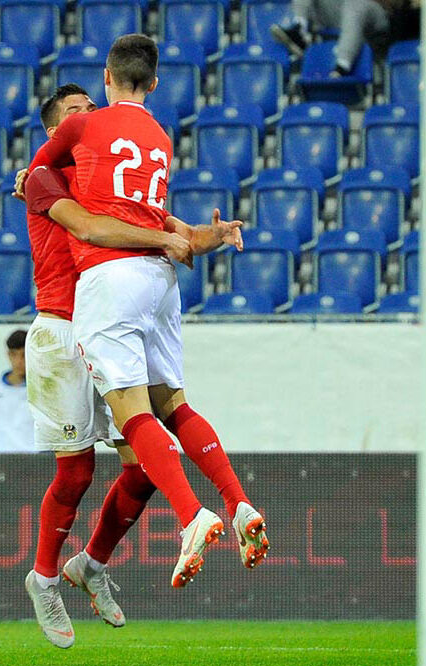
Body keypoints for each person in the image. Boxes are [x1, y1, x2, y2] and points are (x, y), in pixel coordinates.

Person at [36, 34, 269, 596]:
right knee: (173, 402)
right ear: (156, 84)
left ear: (107, 79)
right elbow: (162, 221)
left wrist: (29, 178)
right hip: (161, 283)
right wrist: (202, 236)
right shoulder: (160, 136)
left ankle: (192, 516)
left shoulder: (83, 131)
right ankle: (237, 503)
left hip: (110, 280)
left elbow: (43, 175)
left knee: (133, 412)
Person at [17, 83, 244, 649]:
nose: (89, 119)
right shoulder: (43, 179)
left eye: (92, 110)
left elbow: (173, 231)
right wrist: (164, 240)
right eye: (76, 114)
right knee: (76, 473)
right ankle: (44, 577)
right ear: (54, 133)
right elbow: (101, 232)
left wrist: (206, 236)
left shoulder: (109, 183)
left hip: (114, 322)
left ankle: (91, 565)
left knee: (143, 466)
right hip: (66, 329)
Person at [271, 0, 407, 75]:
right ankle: (299, 29)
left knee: (356, 5)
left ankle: (342, 65)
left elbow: (399, 4)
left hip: (375, 13)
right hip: (341, 11)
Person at [0, 329, 41, 453]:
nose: (19, 361)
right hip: (1, 461)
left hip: (35, 461)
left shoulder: (43, 390)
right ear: (8, 355)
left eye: (24, 355)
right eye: (14, 354)